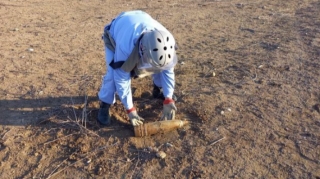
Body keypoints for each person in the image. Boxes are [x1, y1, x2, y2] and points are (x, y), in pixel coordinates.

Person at [98, 10, 178, 127]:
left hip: (141, 17)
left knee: (159, 65)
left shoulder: (168, 43)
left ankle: (158, 90)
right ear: (141, 49)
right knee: (112, 75)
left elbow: (168, 71)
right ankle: (105, 104)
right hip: (117, 31)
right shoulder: (125, 47)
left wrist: (169, 98)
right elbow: (122, 79)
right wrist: (130, 110)